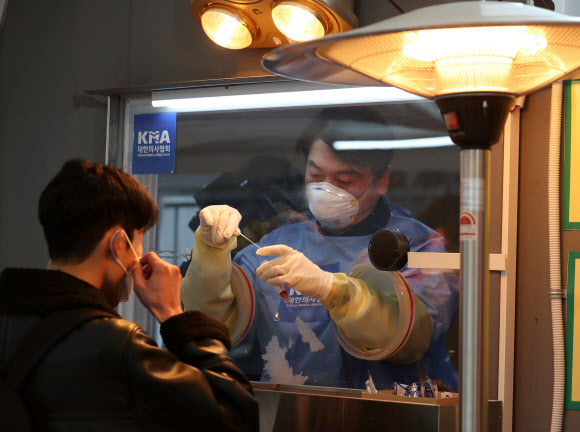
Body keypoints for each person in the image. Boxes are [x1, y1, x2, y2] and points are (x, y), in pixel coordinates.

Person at [181, 107, 459, 390]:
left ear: (382, 181)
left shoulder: (418, 246)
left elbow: (412, 338)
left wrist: (334, 291)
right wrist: (211, 254)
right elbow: (212, 321)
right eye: (315, 175)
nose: (326, 190)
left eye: (345, 181)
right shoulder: (280, 242)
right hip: (285, 413)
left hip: (379, 416)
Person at [0, 159, 258, 431]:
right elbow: (236, 417)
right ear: (119, 243)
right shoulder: (120, 345)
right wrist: (173, 314)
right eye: (138, 241)